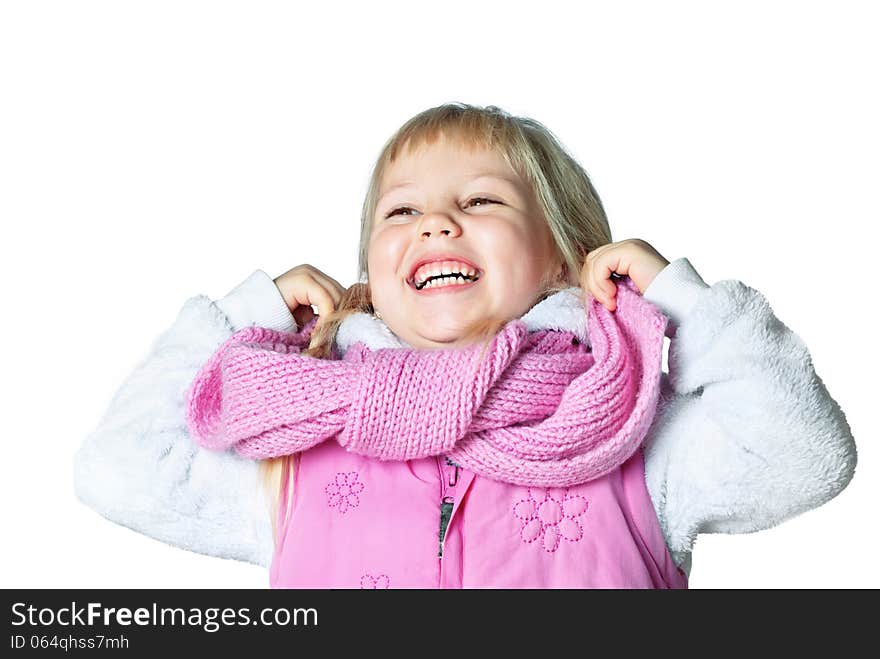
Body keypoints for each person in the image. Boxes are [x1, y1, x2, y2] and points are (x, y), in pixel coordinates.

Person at [75, 102, 857, 588]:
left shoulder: (630, 435)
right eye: (401, 211)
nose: (435, 223)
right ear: (373, 279)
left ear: (562, 255)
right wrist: (248, 310)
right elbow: (118, 466)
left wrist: (681, 298)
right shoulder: (297, 454)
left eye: (480, 199)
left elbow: (802, 454)